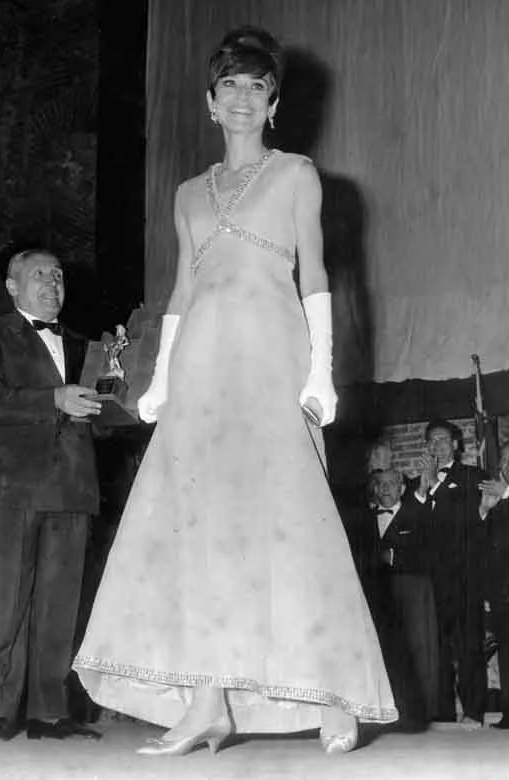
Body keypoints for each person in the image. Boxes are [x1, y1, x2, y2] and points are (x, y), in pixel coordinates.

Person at [73, 26, 397, 756]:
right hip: (200, 371)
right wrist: (161, 380)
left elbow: (316, 274)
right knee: (199, 528)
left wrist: (321, 371)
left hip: (272, 360)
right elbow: (182, 291)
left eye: (258, 87)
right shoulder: (188, 194)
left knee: (292, 520)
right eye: (231, 86)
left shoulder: (297, 175)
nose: (243, 98)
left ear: (274, 104)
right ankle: (206, 702)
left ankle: (334, 689)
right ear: (210, 103)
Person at [0, 248, 102, 742]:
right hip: (13, 486)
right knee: (7, 606)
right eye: (39, 274)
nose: (52, 282)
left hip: (72, 488)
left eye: (58, 274)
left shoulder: (84, 344)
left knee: (60, 607)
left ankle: (49, 712)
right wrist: (55, 399)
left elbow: (98, 414)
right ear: (12, 286)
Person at [412, 419, 487, 727]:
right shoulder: (417, 482)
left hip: (464, 579)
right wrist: (421, 490)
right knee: (436, 649)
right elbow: (411, 530)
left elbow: (466, 519)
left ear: (456, 444)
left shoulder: (472, 476)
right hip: (429, 583)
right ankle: (442, 713)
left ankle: (473, 711)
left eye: (442, 440)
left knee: (469, 647)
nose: (436, 446)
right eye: (431, 441)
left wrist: (436, 485)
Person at [364, 468, 439, 729]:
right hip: (376, 593)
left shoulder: (416, 513)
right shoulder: (364, 519)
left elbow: (429, 551)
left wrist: (391, 557)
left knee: (415, 648)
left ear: (402, 489)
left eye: (392, 483)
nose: (386, 488)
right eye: (381, 484)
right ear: (375, 489)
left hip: (411, 589)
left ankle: (420, 713)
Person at [479, 442, 509, 729]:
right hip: (502, 592)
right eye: (505, 460)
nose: (508, 465)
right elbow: (485, 547)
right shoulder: (497, 500)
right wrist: (484, 511)